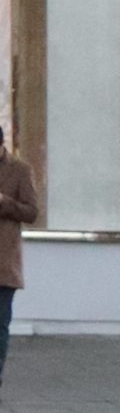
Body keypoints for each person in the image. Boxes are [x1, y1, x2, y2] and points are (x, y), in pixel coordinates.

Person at [0, 125, 34, 394]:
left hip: (3, 263)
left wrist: (5, 203)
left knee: (0, 326)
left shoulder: (19, 170)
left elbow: (32, 212)